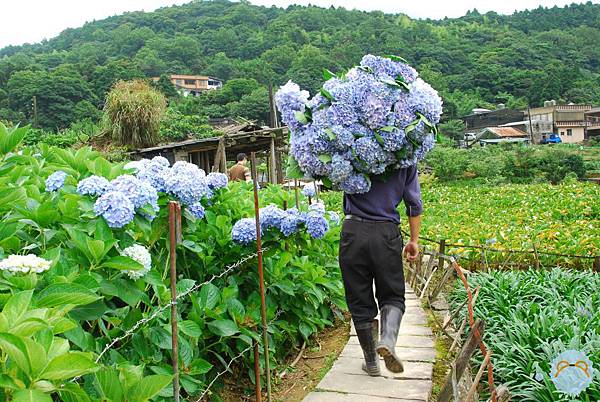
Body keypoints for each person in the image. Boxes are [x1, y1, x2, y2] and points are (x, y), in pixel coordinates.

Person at [340, 165, 422, 376]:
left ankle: (371, 362)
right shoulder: (406, 155)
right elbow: (413, 203)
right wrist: (413, 240)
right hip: (386, 233)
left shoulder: (349, 147)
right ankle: (387, 340)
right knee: (393, 295)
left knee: (359, 300)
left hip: (353, 231)